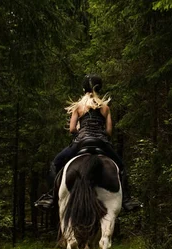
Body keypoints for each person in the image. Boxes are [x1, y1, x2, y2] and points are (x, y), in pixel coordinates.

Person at [35, 74, 139, 211]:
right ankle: (126, 199)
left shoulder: (78, 106)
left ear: (84, 89)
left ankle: (51, 197)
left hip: (81, 142)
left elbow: (72, 129)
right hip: (101, 143)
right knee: (122, 167)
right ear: (99, 88)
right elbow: (108, 131)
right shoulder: (105, 108)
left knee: (55, 164)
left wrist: (81, 132)